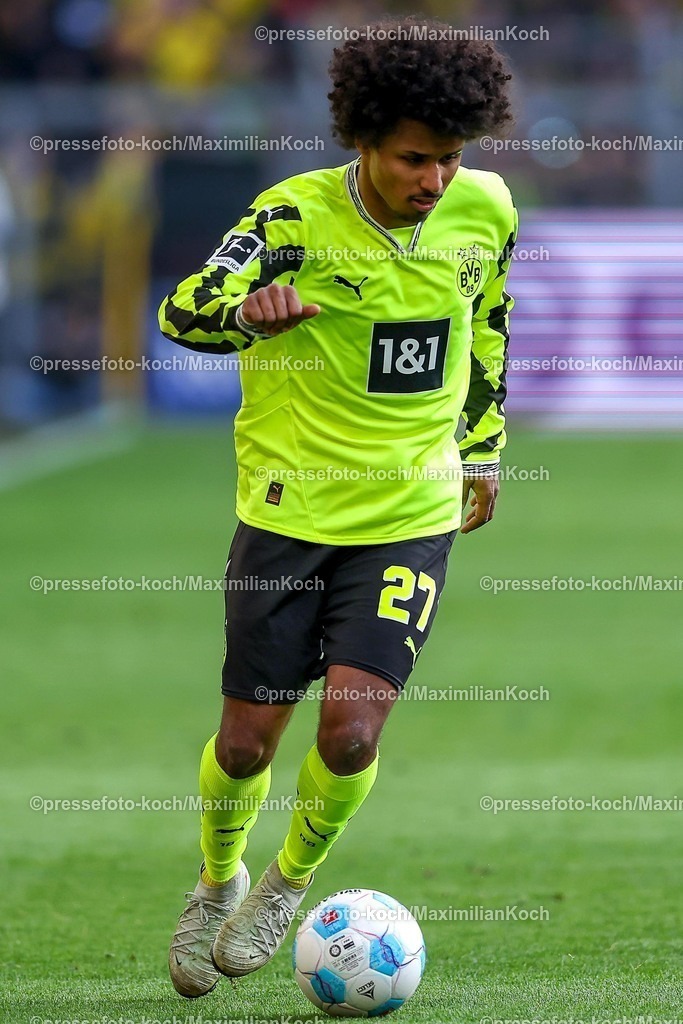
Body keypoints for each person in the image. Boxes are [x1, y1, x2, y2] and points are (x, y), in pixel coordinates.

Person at [158, 16, 517, 999]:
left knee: (352, 732)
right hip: (288, 511)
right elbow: (182, 309)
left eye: (448, 158)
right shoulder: (290, 218)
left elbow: (486, 322)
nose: (433, 180)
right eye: (412, 158)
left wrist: (482, 446)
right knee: (246, 742)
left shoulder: (485, 210)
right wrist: (244, 314)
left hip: (409, 509)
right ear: (362, 139)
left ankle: (287, 883)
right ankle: (217, 879)